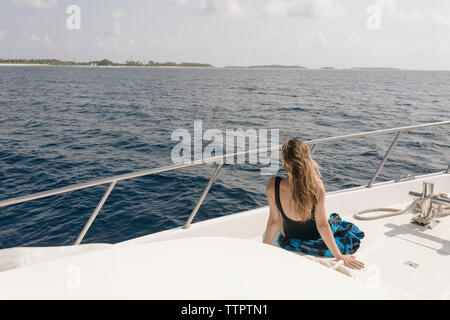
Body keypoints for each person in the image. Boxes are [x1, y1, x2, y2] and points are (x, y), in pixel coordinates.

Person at [263, 138, 365, 270]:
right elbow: (322, 225)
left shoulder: (273, 185)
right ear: (307, 160)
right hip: (314, 238)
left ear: (284, 161)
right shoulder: (316, 186)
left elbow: (274, 222)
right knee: (337, 224)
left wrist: (263, 248)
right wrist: (339, 256)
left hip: (289, 239)